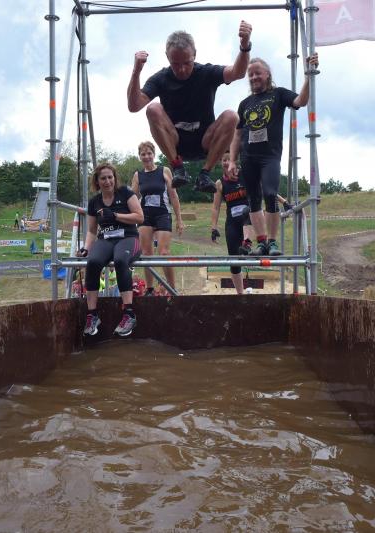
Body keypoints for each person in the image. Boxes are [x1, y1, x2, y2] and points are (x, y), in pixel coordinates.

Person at [127, 22, 253, 193]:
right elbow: (134, 106)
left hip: (206, 142)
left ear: (195, 54)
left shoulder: (206, 72)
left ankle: (205, 174)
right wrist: (136, 72)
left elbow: (238, 72)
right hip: (175, 142)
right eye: (175, 64)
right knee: (153, 109)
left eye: (187, 62)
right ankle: (178, 168)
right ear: (167, 57)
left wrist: (245, 46)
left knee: (232, 116)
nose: (182, 69)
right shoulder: (161, 78)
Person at [228, 53, 319, 256]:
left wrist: (308, 76)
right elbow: (237, 134)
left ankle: (272, 241)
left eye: (257, 73)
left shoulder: (278, 94)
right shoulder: (244, 104)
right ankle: (261, 242)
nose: (254, 78)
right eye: (250, 75)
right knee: (253, 199)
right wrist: (232, 160)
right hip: (248, 157)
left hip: (269, 157)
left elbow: (301, 101)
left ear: (267, 74)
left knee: (270, 194)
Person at [78, 163, 143, 337]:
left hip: (128, 238)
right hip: (106, 239)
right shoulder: (94, 202)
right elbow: (92, 231)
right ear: (97, 182)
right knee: (92, 262)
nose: (107, 181)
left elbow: (140, 217)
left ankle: (129, 313)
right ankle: (92, 315)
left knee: (121, 260)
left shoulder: (125, 193)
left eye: (110, 177)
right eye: (103, 178)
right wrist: (85, 248)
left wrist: (115, 215)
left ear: (114, 178)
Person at [130, 141, 184, 296]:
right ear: (140, 156)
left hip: (162, 214)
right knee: (146, 253)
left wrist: (179, 219)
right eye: (143, 154)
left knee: (164, 252)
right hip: (145, 216)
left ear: (154, 154)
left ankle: (172, 288)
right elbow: (132, 198)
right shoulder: (137, 175)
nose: (146, 157)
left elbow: (174, 196)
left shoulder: (164, 171)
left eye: (149, 153)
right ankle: (149, 289)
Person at [210, 153, 253, 294]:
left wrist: (283, 202)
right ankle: (240, 294)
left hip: (248, 220)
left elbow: (264, 189)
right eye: (224, 160)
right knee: (234, 261)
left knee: (247, 211)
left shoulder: (245, 175)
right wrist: (213, 228)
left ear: (235, 161)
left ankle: (248, 242)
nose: (227, 162)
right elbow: (216, 207)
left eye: (230, 159)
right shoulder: (219, 183)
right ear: (221, 163)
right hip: (232, 223)